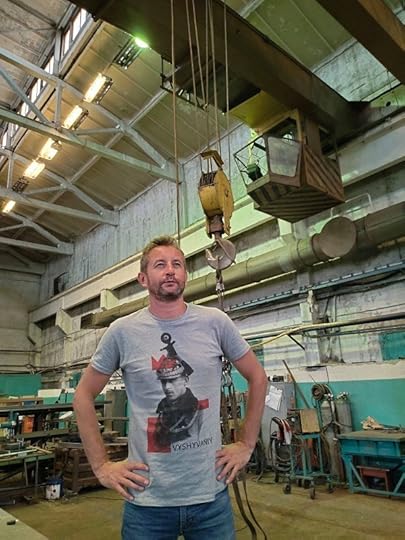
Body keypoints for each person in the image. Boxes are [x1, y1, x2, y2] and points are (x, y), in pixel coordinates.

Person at [73, 235, 268, 540]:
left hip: (210, 497)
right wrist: (101, 466)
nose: (170, 270)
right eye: (160, 265)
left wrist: (246, 443)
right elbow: (83, 395)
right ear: (143, 278)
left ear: (185, 275)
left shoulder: (215, 322)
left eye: (177, 264)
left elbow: (258, 377)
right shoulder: (122, 332)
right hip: (146, 501)